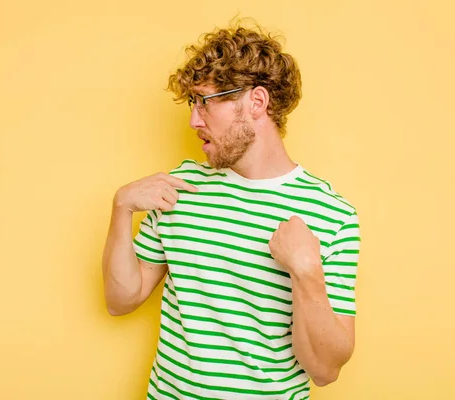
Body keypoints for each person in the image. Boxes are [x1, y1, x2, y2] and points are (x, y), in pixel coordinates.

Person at [102, 21, 361, 400]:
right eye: (192, 103)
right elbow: (121, 300)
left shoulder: (331, 215)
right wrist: (121, 208)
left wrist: (307, 273)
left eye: (205, 101)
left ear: (256, 102)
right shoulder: (180, 187)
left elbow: (323, 371)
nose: (193, 120)